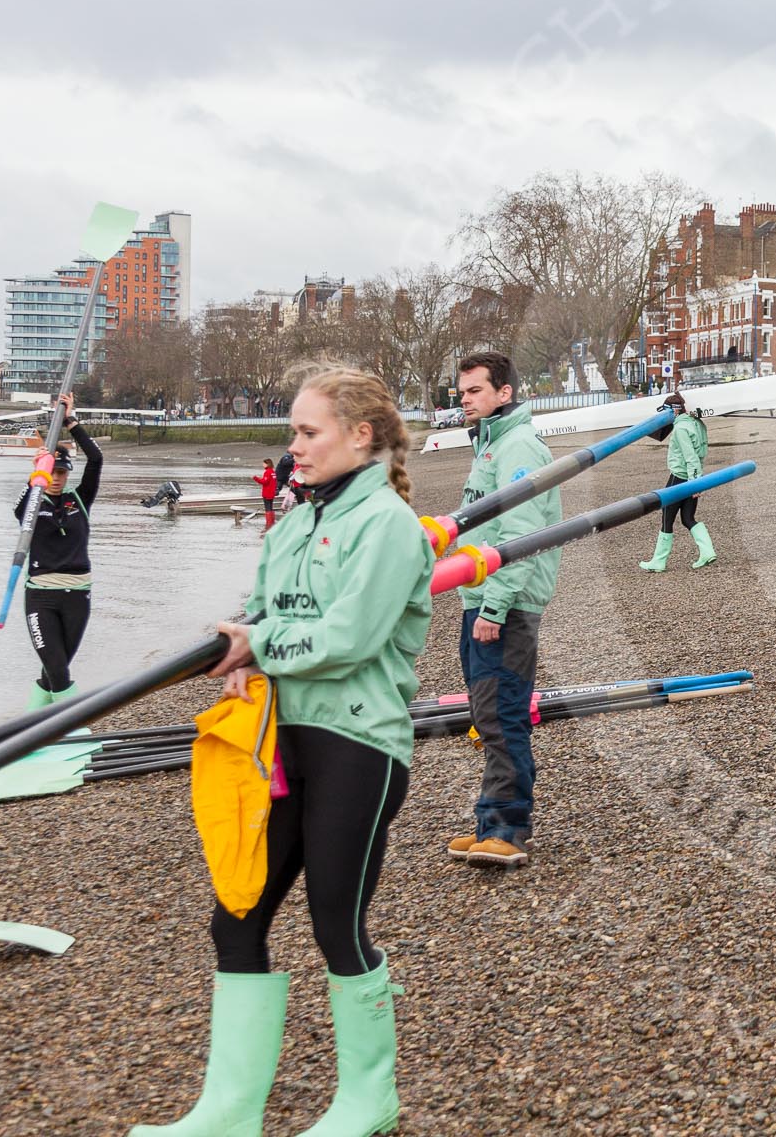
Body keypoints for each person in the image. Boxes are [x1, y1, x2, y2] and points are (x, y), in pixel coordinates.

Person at [129, 367, 432, 1137]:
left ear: (360, 436)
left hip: (360, 746)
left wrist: (259, 644)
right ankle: (228, 1111)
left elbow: (348, 638)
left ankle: (369, 1099)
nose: (292, 446)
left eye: (306, 432)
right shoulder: (294, 521)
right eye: (292, 432)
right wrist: (239, 655)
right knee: (236, 920)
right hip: (284, 744)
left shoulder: (388, 526)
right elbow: (261, 614)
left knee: (337, 924)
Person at [448, 350, 560, 870]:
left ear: (504, 392)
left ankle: (509, 828)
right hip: (482, 599)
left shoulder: (518, 448)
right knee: (485, 714)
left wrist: (493, 608)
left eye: (474, 391)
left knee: (503, 713)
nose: (464, 399)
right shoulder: (489, 446)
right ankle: (490, 820)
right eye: (462, 391)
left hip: (505, 606)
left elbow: (521, 538)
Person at [16, 392, 100, 710]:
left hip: (78, 595)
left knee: (53, 670)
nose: (55, 479)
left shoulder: (80, 500)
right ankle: (75, 726)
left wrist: (71, 422)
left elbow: (96, 460)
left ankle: (30, 727)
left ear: (67, 475)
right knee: (58, 670)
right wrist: (35, 474)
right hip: (41, 596)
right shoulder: (35, 500)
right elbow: (20, 514)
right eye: (51, 473)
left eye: (61, 474)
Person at [638, 393, 718, 571]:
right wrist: (697, 481)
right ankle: (707, 551)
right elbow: (700, 453)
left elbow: (690, 457)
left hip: (680, 477)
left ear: (672, 412)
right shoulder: (697, 423)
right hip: (693, 477)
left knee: (667, 518)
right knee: (688, 518)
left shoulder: (681, 428)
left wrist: (695, 482)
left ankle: (659, 561)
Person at [255, 458, 280, 529]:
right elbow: (272, 482)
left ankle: (268, 524)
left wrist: (256, 478)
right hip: (272, 493)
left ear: (267, 464)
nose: (263, 465)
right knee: (271, 507)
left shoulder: (267, 472)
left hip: (267, 493)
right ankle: (272, 522)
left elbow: (264, 482)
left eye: (264, 463)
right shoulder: (273, 472)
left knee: (267, 508)